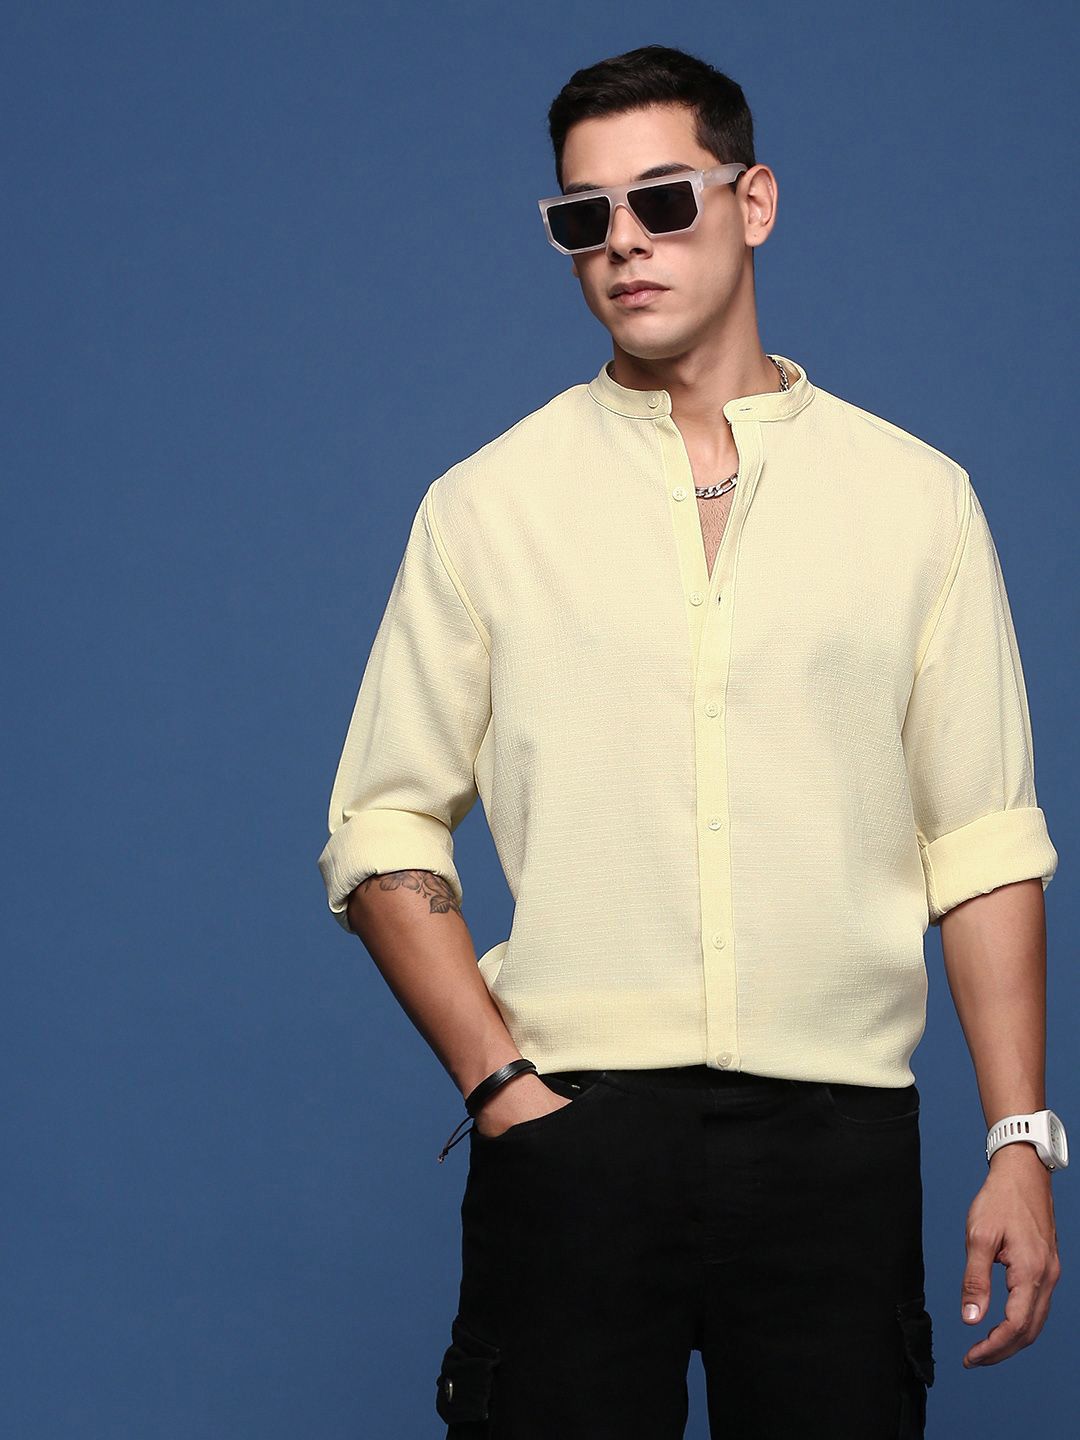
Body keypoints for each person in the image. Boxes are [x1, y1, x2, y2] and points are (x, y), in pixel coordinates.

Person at [316, 44, 1065, 1440]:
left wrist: (1020, 1139)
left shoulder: (917, 502)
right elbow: (381, 822)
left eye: (662, 200)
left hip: (837, 1145)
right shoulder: (488, 506)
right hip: (575, 1141)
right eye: (582, 216)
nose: (623, 244)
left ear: (753, 202)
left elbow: (981, 841)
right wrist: (498, 1086)